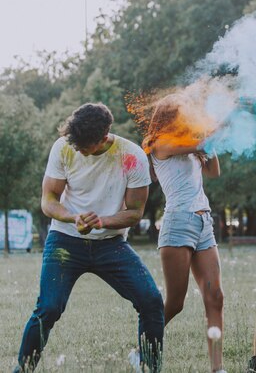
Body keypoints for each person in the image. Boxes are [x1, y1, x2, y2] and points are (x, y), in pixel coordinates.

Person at [14, 103, 164, 372]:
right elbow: (48, 200)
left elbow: (135, 212)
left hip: (111, 245)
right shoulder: (63, 147)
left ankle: (151, 368)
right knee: (48, 308)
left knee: (151, 301)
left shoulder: (132, 156)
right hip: (65, 242)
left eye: (84, 145)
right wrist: (73, 218)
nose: (78, 149)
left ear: (104, 137)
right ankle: (22, 369)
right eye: (75, 142)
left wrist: (102, 221)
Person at [142, 94, 225, 373]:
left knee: (215, 297)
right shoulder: (160, 144)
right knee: (175, 303)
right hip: (179, 222)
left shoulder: (190, 144)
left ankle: (217, 368)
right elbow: (200, 141)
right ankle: (141, 347)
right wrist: (214, 127)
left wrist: (209, 144)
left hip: (204, 222)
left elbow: (214, 172)